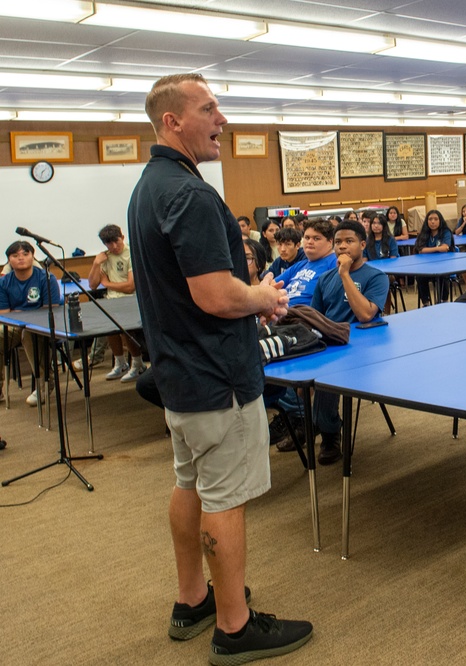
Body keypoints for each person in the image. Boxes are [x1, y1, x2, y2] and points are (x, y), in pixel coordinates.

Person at [127, 73, 311, 664]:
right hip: (218, 379)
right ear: (172, 122)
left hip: (181, 375)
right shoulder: (191, 194)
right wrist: (263, 295)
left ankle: (193, 599)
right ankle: (234, 628)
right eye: (209, 110)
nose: (222, 122)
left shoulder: (148, 186)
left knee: (190, 484)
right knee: (224, 498)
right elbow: (214, 295)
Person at [310, 219, 389, 465]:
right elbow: (316, 318)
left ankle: (330, 434)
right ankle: (309, 423)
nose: (342, 247)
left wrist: (345, 274)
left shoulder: (376, 277)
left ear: (363, 245)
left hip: (363, 347)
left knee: (327, 378)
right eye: (338, 243)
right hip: (331, 342)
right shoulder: (324, 279)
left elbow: (366, 313)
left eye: (349, 242)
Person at [0, 240, 62, 406]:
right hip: (14, 326)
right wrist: (26, 313)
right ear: (9, 260)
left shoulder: (46, 278)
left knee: (28, 333)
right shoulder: (4, 282)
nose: (21, 258)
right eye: (15, 255)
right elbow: (4, 314)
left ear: (33, 256)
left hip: (42, 326)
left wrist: (21, 313)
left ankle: (44, 384)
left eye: (25, 254)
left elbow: (51, 309)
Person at [86, 224, 146, 382]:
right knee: (109, 327)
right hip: (112, 301)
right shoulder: (105, 257)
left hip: (130, 300)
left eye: (116, 242)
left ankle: (138, 364)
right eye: (109, 244)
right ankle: (120, 363)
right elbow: (92, 285)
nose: (113, 247)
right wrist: (96, 264)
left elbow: (130, 286)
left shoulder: (131, 253)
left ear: (122, 238)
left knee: (123, 328)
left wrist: (107, 284)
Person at [273, 218, 339, 307]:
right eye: (307, 238)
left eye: (316, 238)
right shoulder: (300, 265)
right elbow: (272, 286)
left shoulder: (335, 262)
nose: (310, 242)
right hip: (282, 311)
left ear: (330, 242)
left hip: (305, 315)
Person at [413, 209, 453, 307]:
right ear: (427, 221)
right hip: (426, 266)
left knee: (442, 275)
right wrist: (437, 248)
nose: (433, 221)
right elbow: (420, 250)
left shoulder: (445, 232)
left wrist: (428, 249)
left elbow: (445, 248)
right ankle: (426, 303)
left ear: (440, 221)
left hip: (443, 264)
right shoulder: (423, 233)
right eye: (430, 219)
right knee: (420, 276)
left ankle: (443, 301)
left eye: (435, 219)